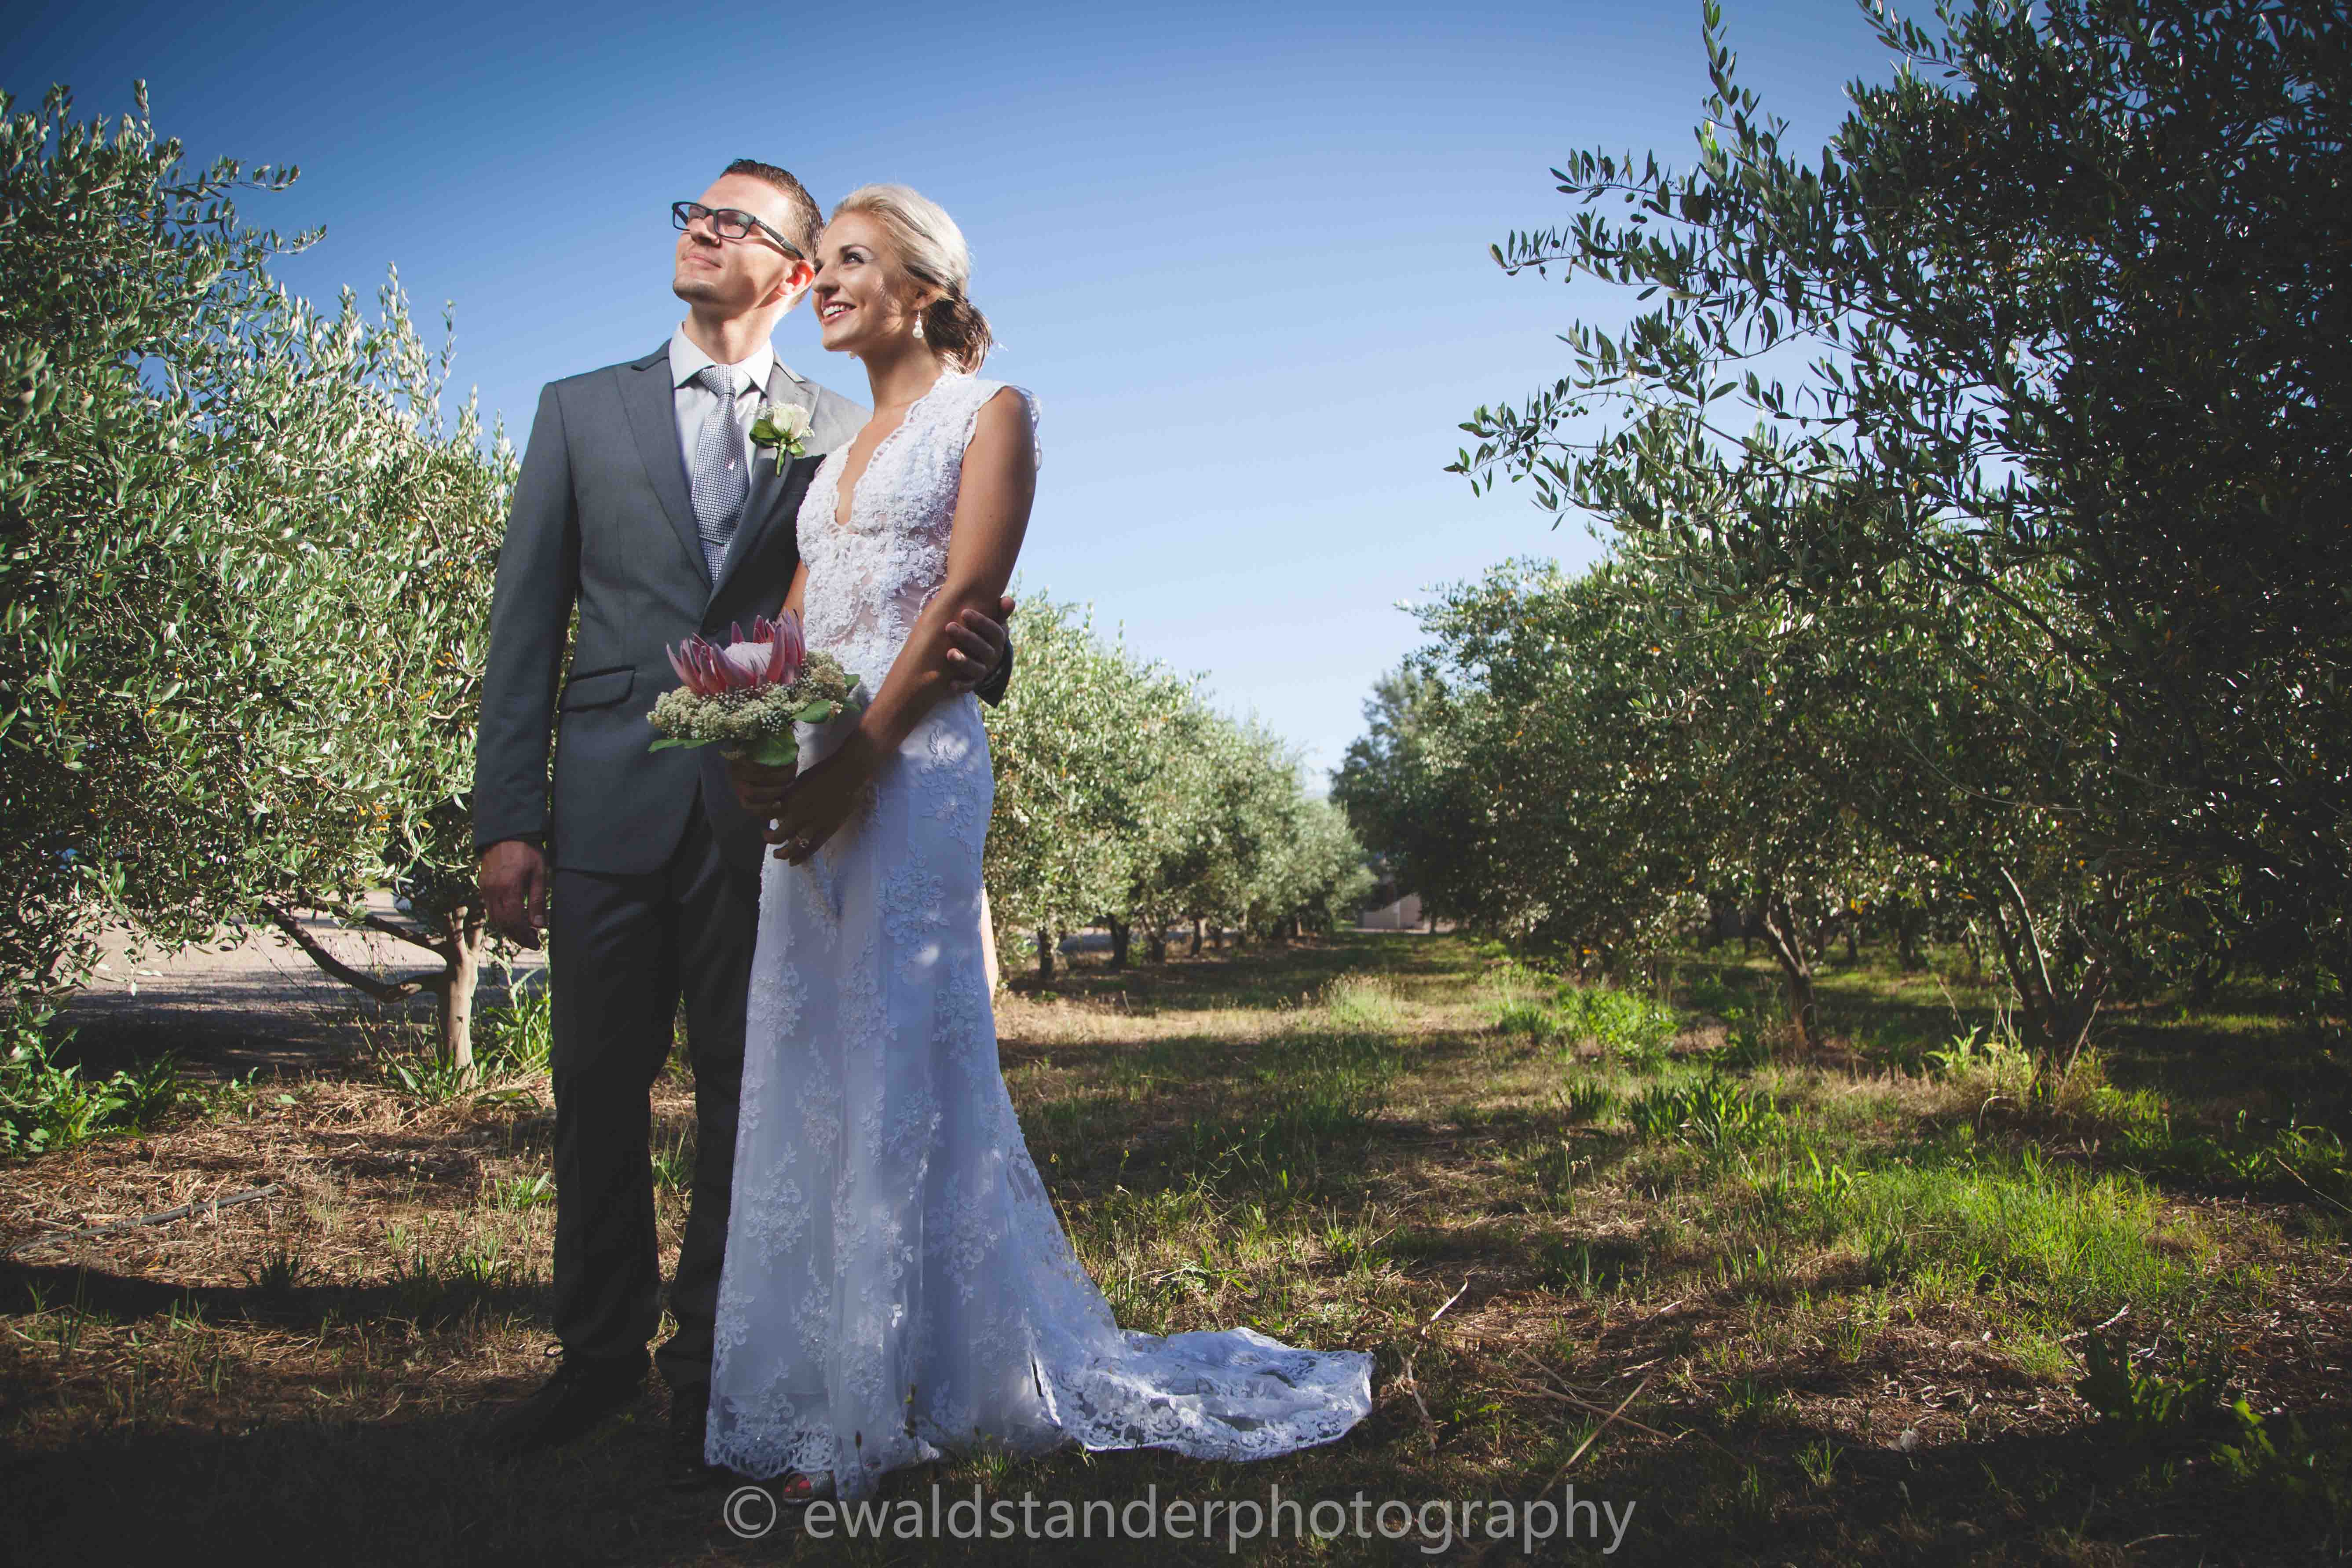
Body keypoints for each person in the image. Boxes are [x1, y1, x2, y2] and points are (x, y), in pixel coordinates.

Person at [705, 184, 1374, 1503]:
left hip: (909, 771)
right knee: (813, 1058)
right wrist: (747, 733)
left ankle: (897, 1401)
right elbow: (788, 631)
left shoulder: (990, 413)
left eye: (850, 260)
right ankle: (825, 1378)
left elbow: (964, 602)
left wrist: (856, 761)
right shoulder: (834, 456)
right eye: (819, 261)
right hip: (817, 773)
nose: (821, 280)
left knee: (905, 1049)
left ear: (924, 288)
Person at [466, 160, 1016, 1492]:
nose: (702, 232)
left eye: (736, 223)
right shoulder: (578, 409)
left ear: (790, 268)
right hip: (606, 798)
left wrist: (980, 658)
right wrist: (508, 815)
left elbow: (920, 588)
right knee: (595, 1086)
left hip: (772, 806)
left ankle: (711, 1363)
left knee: (752, 1086)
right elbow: (525, 625)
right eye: (694, 215)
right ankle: (596, 1354)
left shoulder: (849, 417)